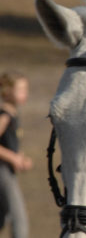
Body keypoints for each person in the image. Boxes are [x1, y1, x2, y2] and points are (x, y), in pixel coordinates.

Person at [0, 72, 32, 238]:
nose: (24, 93)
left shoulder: (12, 114)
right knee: (18, 215)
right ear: (6, 91)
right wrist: (13, 158)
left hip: (7, 171)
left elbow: (10, 144)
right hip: (3, 172)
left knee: (3, 214)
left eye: (25, 89)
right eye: (20, 89)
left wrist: (20, 157)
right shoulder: (4, 115)